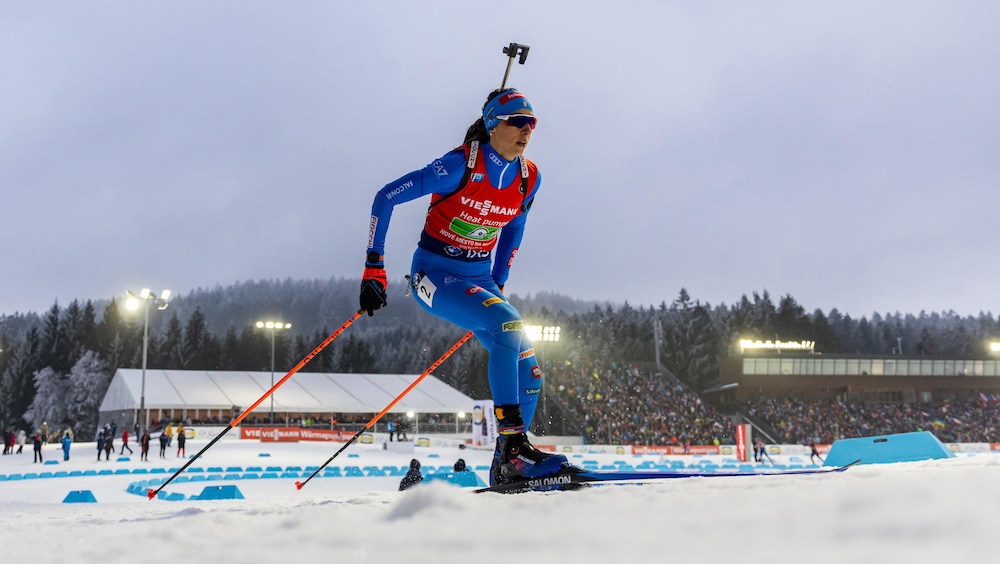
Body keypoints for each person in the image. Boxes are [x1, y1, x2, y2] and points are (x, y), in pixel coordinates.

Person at [358, 87, 570, 487]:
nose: (526, 130)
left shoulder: (529, 178)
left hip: (480, 277)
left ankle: (508, 462)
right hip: (434, 275)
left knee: (531, 373)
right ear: (492, 125)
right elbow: (385, 197)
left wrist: (498, 284)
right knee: (508, 323)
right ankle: (515, 448)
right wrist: (374, 267)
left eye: (531, 123)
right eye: (516, 122)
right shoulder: (459, 166)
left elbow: (515, 228)